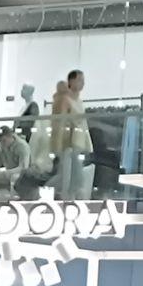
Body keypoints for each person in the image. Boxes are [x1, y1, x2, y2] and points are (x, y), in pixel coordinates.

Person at [49, 69, 90, 200]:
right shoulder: (65, 100)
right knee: (68, 177)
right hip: (67, 145)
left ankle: (67, 199)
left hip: (76, 145)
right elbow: (59, 124)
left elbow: (82, 124)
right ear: (71, 81)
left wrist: (87, 144)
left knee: (73, 178)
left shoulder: (79, 101)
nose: (82, 83)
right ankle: (48, 192)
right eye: (79, 80)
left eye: (83, 80)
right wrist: (57, 146)